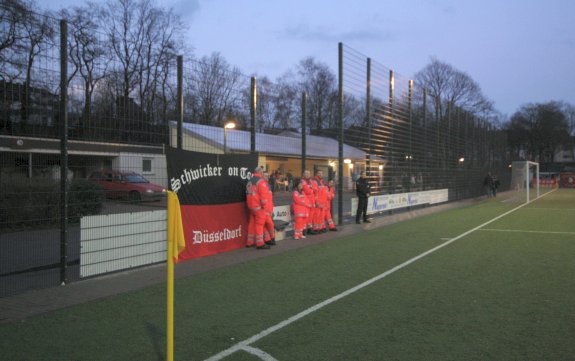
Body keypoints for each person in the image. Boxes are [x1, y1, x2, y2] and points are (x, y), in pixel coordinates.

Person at [245, 166, 272, 249]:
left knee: (251, 224)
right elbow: (263, 197)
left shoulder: (249, 181)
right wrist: (264, 207)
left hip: (251, 206)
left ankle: (249, 242)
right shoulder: (261, 182)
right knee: (260, 225)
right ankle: (260, 243)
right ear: (260, 172)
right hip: (258, 207)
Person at [262, 172, 276, 245]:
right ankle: (269, 239)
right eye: (265, 176)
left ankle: (271, 238)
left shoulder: (268, 185)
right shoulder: (261, 185)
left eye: (267, 176)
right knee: (268, 224)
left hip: (269, 209)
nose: (267, 177)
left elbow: (270, 199)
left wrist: (271, 209)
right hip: (264, 210)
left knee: (269, 224)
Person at [300, 170, 316, 235]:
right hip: (306, 201)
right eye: (306, 173)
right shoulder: (302, 181)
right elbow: (307, 191)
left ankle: (309, 229)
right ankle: (304, 230)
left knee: (311, 217)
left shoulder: (310, 181)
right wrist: (312, 190)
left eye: (309, 173)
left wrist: (312, 189)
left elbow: (315, 189)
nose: (307, 174)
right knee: (306, 217)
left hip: (312, 201)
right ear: (303, 174)